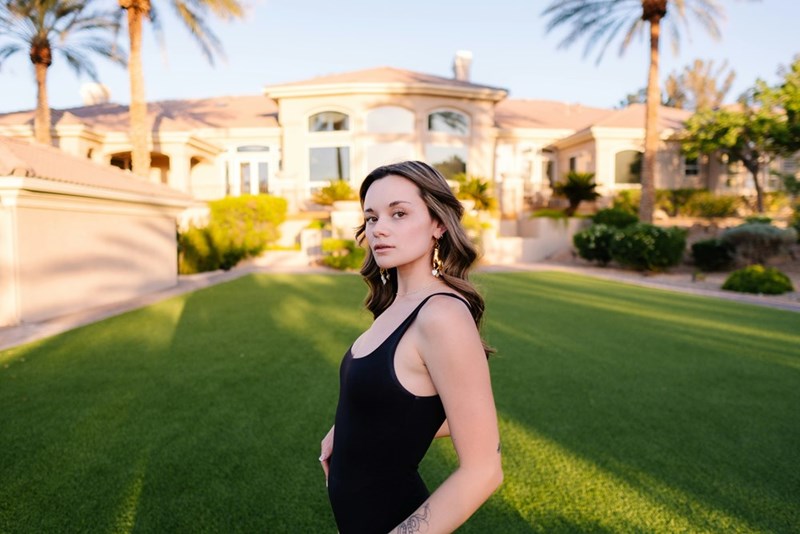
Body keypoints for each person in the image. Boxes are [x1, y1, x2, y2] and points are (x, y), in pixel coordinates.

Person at [319, 161, 503, 533]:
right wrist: (348, 428)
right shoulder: (394, 304)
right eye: (371, 218)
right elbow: (403, 404)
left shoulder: (442, 315)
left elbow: (484, 470)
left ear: (438, 224)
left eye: (398, 213)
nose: (379, 229)